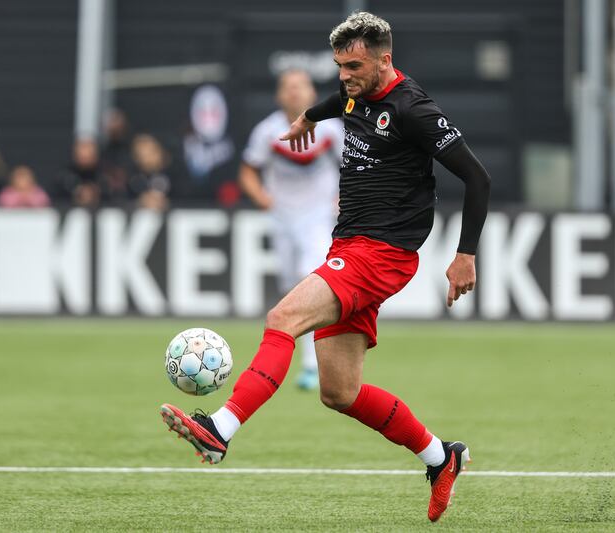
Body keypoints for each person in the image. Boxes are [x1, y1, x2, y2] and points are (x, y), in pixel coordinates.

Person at [160, 11, 491, 522]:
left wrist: (465, 253)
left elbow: (478, 178)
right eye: (339, 65)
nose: (345, 75)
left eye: (354, 65)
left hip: (378, 253)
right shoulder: (356, 91)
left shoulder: (413, 109)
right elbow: (342, 100)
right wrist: (310, 118)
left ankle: (219, 429)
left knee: (281, 320)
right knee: (340, 393)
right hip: (355, 245)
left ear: (386, 58)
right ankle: (440, 456)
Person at [239, 69, 343, 390]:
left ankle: (312, 366)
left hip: (318, 217)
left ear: (312, 93)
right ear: (279, 95)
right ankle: (298, 358)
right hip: (282, 218)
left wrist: (341, 199)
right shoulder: (267, 131)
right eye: (288, 87)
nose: (295, 92)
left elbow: (353, 168)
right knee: (290, 286)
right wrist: (261, 197)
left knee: (309, 277)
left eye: (301, 86)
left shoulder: (331, 130)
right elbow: (248, 170)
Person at [55, 138, 103, 208]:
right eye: (82, 154)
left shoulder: (103, 177)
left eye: (89, 155)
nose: (85, 157)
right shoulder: (63, 177)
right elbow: (55, 200)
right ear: (75, 155)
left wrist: (94, 193)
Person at [129, 133, 172, 211]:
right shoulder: (132, 178)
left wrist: (168, 202)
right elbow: (121, 200)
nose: (146, 158)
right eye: (141, 155)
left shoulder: (175, 174)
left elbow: (189, 198)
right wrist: (140, 202)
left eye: (150, 152)